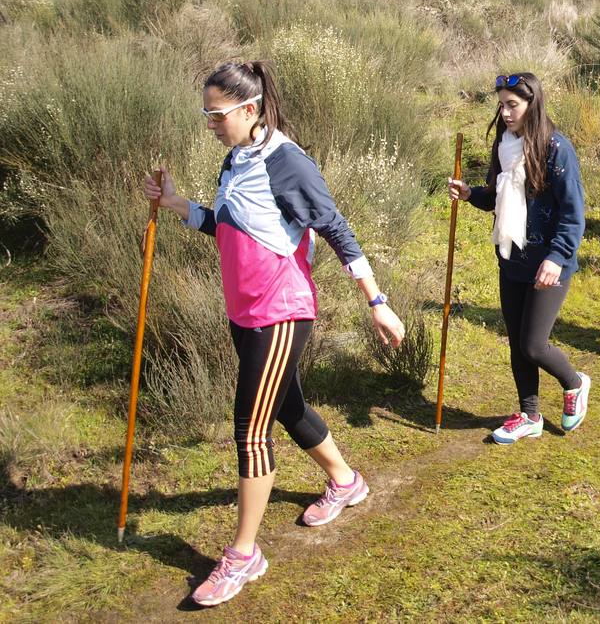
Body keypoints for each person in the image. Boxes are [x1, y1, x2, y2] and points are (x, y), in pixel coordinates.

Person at [142, 61, 405, 608]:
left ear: (250, 108)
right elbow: (229, 223)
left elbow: (336, 229)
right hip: (245, 312)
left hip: (281, 311)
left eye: (216, 114)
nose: (210, 123)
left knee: (250, 429)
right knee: (286, 407)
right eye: (206, 114)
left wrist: (376, 302)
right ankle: (346, 480)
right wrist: (177, 206)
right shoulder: (236, 159)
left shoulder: (289, 163)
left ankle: (243, 555)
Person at [448, 73, 590, 445]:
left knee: (533, 344)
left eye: (513, 104)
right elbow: (500, 196)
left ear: (532, 104)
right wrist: (469, 194)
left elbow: (573, 213)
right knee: (516, 341)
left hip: (549, 262)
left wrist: (557, 258)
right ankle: (529, 414)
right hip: (512, 257)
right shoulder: (505, 143)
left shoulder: (557, 149)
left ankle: (574, 382)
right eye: (502, 104)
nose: (506, 112)